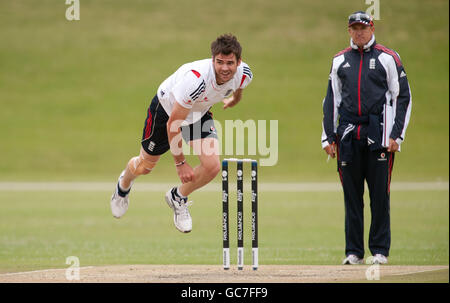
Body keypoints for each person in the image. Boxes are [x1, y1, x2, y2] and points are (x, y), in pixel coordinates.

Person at [111, 34, 253, 233]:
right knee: (145, 166)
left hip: (198, 114)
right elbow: (173, 124)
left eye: (230, 63)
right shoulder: (196, 81)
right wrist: (180, 163)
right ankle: (123, 183)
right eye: (219, 62)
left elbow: (239, 85)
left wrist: (235, 100)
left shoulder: (244, 73)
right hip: (167, 111)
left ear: (238, 62)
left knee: (212, 166)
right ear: (213, 60)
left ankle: (178, 197)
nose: (224, 68)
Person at [321, 11, 412, 265]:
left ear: (372, 28)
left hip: (379, 134)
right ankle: (354, 252)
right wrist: (328, 137)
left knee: (379, 194)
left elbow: (402, 96)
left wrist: (397, 135)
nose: (359, 32)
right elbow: (331, 101)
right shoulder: (339, 60)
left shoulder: (388, 58)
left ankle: (380, 250)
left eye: (363, 27)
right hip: (348, 134)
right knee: (352, 195)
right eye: (354, 28)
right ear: (348, 31)